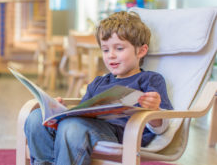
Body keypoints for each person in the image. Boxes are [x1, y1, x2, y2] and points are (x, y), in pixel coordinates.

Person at [24, 11, 173, 165]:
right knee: (36, 117)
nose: (111, 55)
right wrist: (60, 111)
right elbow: (82, 114)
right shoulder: (98, 82)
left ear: (141, 51)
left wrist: (154, 110)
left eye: (119, 48)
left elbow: (161, 128)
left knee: (72, 127)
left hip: (123, 135)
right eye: (106, 50)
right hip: (87, 129)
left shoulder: (150, 79)